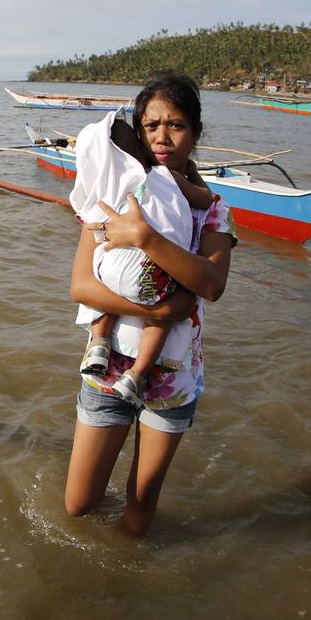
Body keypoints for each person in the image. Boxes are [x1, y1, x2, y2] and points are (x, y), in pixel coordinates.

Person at [64, 73, 236, 537]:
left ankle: (123, 583)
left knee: (141, 502)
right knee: (78, 504)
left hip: (173, 376)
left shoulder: (213, 209)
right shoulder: (116, 189)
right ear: (139, 131)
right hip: (109, 366)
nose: (162, 136)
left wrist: (143, 236)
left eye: (176, 125)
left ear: (195, 134)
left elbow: (212, 285)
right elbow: (81, 286)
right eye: (151, 124)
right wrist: (158, 312)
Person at [73, 108, 215, 404]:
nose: (159, 138)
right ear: (139, 145)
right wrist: (193, 175)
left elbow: (81, 284)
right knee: (160, 317)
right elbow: (204, 198)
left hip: (111, 266)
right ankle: (137, 374)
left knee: (108, 282)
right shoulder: (164, 176)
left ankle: (99, 341)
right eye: (148, 129)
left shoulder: (107, 191)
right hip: (151, 269)